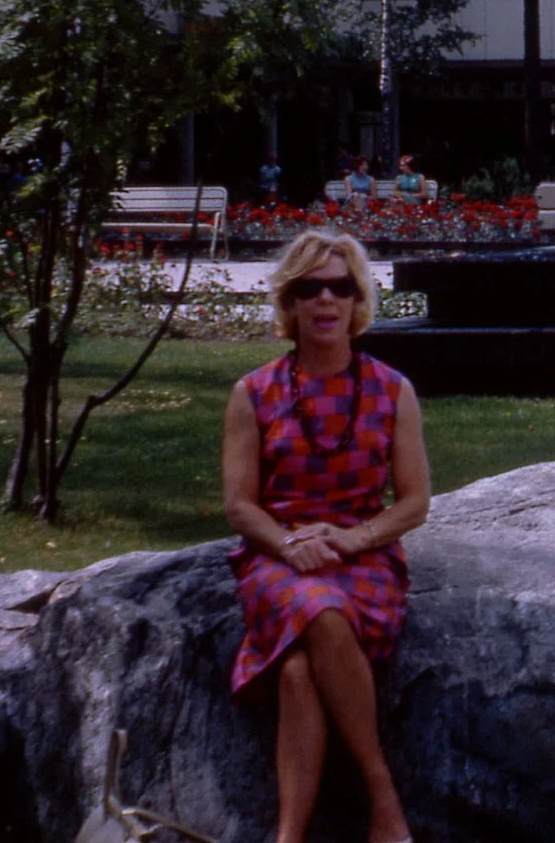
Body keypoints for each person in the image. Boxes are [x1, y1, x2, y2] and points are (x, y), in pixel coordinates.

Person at [222, 230, 430, 843]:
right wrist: (290, 544)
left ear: (357, 300)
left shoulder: (393, 390)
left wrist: (348, 539)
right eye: (310, 288)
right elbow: (239, 506)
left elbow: (415, 503)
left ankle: (289, 836)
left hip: (360, 553)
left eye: (340, 287)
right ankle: (382, 794)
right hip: (277, 559)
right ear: (290, 302)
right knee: (320, 609)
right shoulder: (252, 394)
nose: (325, 301)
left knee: (296, 674)